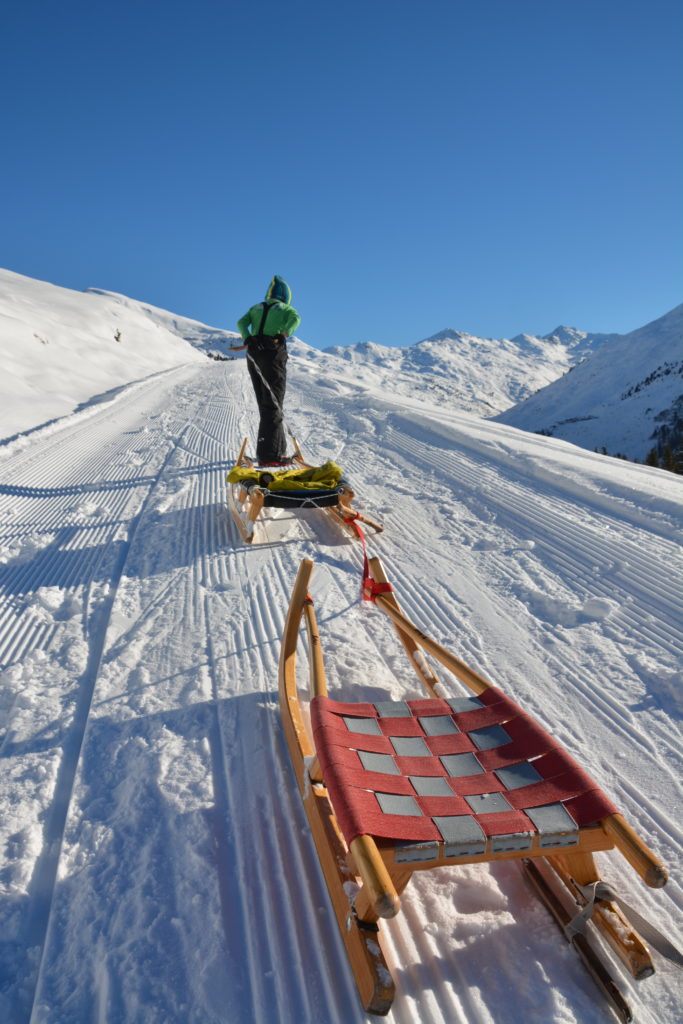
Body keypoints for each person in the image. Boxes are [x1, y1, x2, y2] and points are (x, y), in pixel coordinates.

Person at [236, 276, 301, 464]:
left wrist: (247, 337)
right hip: (272, 354)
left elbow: (241, 323)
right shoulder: (285, 309)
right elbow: (296, 319)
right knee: (273, 403)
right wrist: (283, 333)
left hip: (253, 354)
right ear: (286, 296)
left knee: (265, 402)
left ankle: (276, 449)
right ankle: (270, 456)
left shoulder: (256, 307)